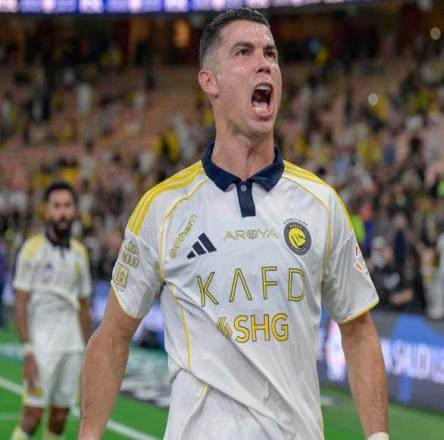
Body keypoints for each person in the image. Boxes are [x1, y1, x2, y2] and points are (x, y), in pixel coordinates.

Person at [79, 8, 388, 440]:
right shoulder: (163, 209)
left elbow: (358, 332)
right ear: (210, 81)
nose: (264, 63)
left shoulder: (321, 204)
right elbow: (113, 336)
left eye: (270, 54)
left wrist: (378, 437)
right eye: (244, 52)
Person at [11, 181, 92, 440]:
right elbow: (20, 301)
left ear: (75, 211)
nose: (62, 212)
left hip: (72, 346)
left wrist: (87, 351)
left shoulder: (80, 253)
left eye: (67, 206)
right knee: (32, 417)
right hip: (42, 345)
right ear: (46, 211)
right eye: (56, 206)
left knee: (59, 418)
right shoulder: (31, 249)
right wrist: (28, 351)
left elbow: (84, 305)